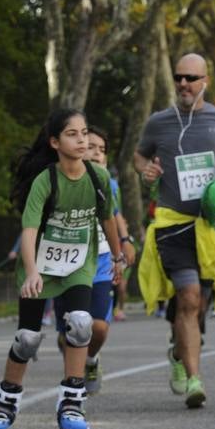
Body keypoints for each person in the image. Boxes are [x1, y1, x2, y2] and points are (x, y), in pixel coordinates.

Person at [0, 109, 125, 429]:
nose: (82, 140)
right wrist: (31, 272)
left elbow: (109, 221)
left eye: (85, 132)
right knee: (28, 338)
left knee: (79, 323)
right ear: (55, 142)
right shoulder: (45, 181)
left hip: (78, 264)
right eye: (73, 134)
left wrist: (118, 257)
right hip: (41, 265)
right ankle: (5, 403)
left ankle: (72, 401)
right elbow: (29, 232)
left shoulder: (98, 177)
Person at [134, 52, 215, 409]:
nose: (184, 84)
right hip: (172, 224)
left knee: (199, 305)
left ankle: (179, 351)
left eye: (191, 78)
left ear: (205, 82)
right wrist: (146, 170)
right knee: (189, 296)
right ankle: (196, 379)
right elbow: (140, 155)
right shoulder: (159, 121)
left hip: (210, 226)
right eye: (179, 77)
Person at [71, 125, 136, 394]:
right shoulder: (59, 180)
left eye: (103, 150)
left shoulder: (109, 183)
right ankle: (71, 395)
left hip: (99, 263)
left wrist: (125, 241)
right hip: (69, 265)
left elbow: (115, 213)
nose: (98, 154)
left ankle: (91, 359)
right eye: (92, 147)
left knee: (97, 328)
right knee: (71, 334)